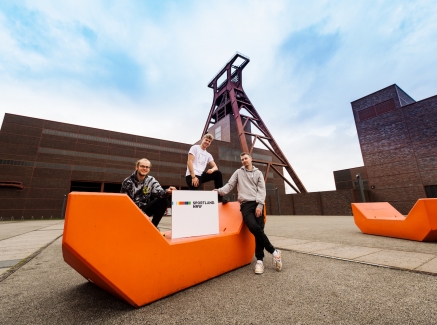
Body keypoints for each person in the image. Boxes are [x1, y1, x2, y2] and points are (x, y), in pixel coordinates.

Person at [214, 152, 282, 274]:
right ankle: (274, 252)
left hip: (258, 204)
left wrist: (260, 205)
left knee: (259, 230)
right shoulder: (238, 172)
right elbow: (229, 185)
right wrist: (219, 191)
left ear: (251, 159)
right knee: (254, 227)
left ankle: (260, 261)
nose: (244, 161)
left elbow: (262, 189)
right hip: (245, 205)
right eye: (242, 159)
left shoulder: (258, 173)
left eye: (246, 158)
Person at [121, 158, 176, 229]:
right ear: (137, 167)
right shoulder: (128, 182)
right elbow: (127, 204)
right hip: (132, 212)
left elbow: (159, 192)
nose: (144, 168)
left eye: (147, 167)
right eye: (142, 166)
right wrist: (142, 214)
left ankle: (153, 228)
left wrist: (167, 191)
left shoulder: (151, 180)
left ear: (149, 169)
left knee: (164, 201)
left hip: (145, 209)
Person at [186, 133, 227, 203]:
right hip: (192, 176)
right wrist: (193, 177)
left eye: (209, 141)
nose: (207, 142)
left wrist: (212, 169)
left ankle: (219, 197)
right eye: (206, 140)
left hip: (201, 176)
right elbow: (189, 162)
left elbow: (215, 167)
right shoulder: (195, 148)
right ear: (203, 139)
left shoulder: (208, 155)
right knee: (196, 199)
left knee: (218, 174)